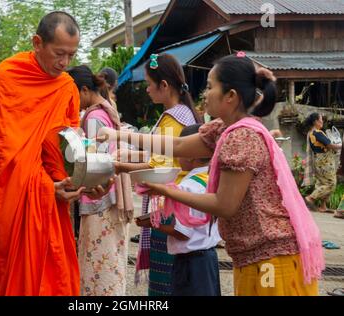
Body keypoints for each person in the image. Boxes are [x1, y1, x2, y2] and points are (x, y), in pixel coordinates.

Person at [99, 53, 323, 296]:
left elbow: (223, 205)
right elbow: (178, 146)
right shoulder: (225, 127)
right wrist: (120, 135)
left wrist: (165, 190)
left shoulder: (241, 136)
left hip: (271, 258)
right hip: (256, 256)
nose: (204, 94)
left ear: (230, 97)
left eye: (209, 86)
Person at [0, 12, 111, 296]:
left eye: (71, 54)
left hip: (54, 201)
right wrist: (45, 187)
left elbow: (66, 148)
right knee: (13, 277)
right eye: (59, 53)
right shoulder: (7, 77)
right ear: (37, 42)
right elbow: (5, 153)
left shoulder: (66, 86)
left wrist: (83, 179)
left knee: (55, 277)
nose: (65, 63)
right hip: (14, 197)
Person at [115, 53, 199, 296]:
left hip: (171, 208)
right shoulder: (181, 116)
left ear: (164, 85)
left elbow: (159, 168)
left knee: (165, 286)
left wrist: (122, 167)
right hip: (177, 207)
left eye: (150, 84)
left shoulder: (173, 121)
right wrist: (129, 158)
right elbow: (159, 158)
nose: (148, 90)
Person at [68, 65, 134, 296]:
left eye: (72, 95)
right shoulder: (106, 109)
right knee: (111, 260)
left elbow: (97, 162)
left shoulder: (93, 116)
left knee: (98, 263)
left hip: (101, 198)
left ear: (84, 90)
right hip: (113, 195)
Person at [136, 124, 222, 296]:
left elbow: (183, 232)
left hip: (191, 263)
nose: (177, 157)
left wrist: (152, 223)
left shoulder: (187, 187)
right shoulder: (212, 179)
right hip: (209, 259)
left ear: (191, 155)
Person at [303, 113, 341, 213]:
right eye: (321, 120)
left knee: (322, 183)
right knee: (331, 184)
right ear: (316, 121)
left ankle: (323, 206)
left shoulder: (311, 133)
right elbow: (330, 145)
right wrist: (341, 146)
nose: (322, 121)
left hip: (319, 161)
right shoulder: (317, 133)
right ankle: (310, 198)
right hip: (325, 161)